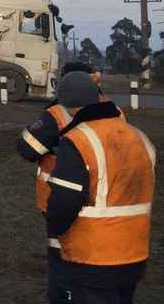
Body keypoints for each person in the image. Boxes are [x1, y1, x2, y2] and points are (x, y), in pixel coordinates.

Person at [44, 71, 154, 303]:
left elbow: (64, 201)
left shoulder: (78, 140)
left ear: (66, 101)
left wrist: (54, 228)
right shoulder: (138, 137)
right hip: (134, 254)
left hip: (93, 257)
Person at [17, 61, 121, 213]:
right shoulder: (116, 110)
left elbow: (27, 149)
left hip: (64, 197)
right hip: (110, 197)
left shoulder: (58, 113)